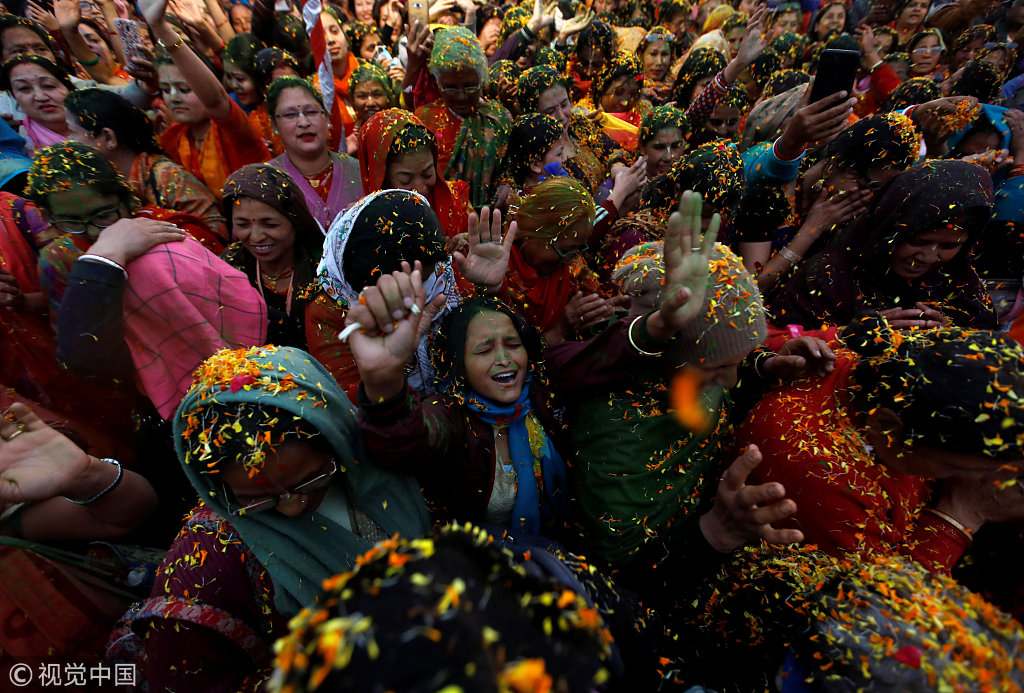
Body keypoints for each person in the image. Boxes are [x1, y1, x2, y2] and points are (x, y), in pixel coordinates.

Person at [122, 344, 431, 691]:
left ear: (334, 437)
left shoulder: (381, 462)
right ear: (215, 486)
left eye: (310, 479)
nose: (291, 507)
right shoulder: (203, 567)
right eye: (255, 498)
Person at [736, 314, 1024, 574]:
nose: (983, 479)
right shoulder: (823, 474)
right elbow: (879, 606)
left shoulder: (893, 364)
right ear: (888, 428)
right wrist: (964, 513)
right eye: (952, 466)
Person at [29, 142, 267, 420]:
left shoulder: (166, 232)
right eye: (71, 222)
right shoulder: (57, 259)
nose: (92, 231)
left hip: (241, 371)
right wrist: (105, 260)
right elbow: (80, 350)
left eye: (104, 215)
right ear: (46, 216)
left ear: (125, 199)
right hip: (144, 398)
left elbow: (229, 303)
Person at [306, 189, 511, 401]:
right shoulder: (329, 307)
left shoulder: (449, 273)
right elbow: (351, 409)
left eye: (425, 279)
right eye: (407, 285)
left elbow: (509, 349)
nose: (421, 294)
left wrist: (492, 290)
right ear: (364, 284)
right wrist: (398, 362)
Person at [770, 160, 998, 330]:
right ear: (887, 229)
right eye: (919, 241)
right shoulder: (827, 276)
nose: (928, 257)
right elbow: (781, 347)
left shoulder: (961, 285)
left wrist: (950, 333)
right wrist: (850, 335)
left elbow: (987, 348)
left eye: (948, 246)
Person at [64, 88, 228, 243]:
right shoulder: (92, 182)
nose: (67, 141)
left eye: (72, 132)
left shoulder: (166, 177)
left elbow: (217, 233)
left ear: (108, 138)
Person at [144, 0, 270, 200]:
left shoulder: (232, 129)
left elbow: (215, 101)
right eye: (166, 89)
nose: (174, 97)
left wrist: (161, 28)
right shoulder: (173, 138)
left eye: (185, 89)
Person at [221, 164, 324, 349]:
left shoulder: (324, 268)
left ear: (295, 220)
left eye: (270, 224)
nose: (256, 237)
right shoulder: (228, 266)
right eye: (243, 225)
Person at [415, 25, 511, 208]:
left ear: (482, 78)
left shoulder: (499, 118)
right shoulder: (424, 119)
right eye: (450, 87)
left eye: (470, 86)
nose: (461, 96)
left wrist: (507, 185)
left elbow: (511, 169)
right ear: (437, 81)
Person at [505, 176, 611, 342]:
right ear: (528, 233)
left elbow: (593, 304)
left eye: (578, 249)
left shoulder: (572, 265)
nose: (570, 260)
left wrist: (603, 312)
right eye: (564, 250)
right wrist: (560, 329)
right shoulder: (495, 273)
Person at [356, 107, 471, 239]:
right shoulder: (362, 229)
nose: (420, 189)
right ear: (381, 180)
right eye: (406, 180)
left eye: (427, 174)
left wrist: (468, 246)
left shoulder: (459, 205)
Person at [265, 76, 362, 231]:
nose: (303, 122)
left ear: (327, 118)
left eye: (311, 111)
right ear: (274, 124)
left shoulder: (360, 173)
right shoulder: (265, 181)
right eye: (290, 115)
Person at [0, 53, 73, 153]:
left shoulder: (99, 125)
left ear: (69, 89)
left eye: (48, 85)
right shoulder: (18, 147)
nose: (40, 97)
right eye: (24, 88)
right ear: (14, 97)